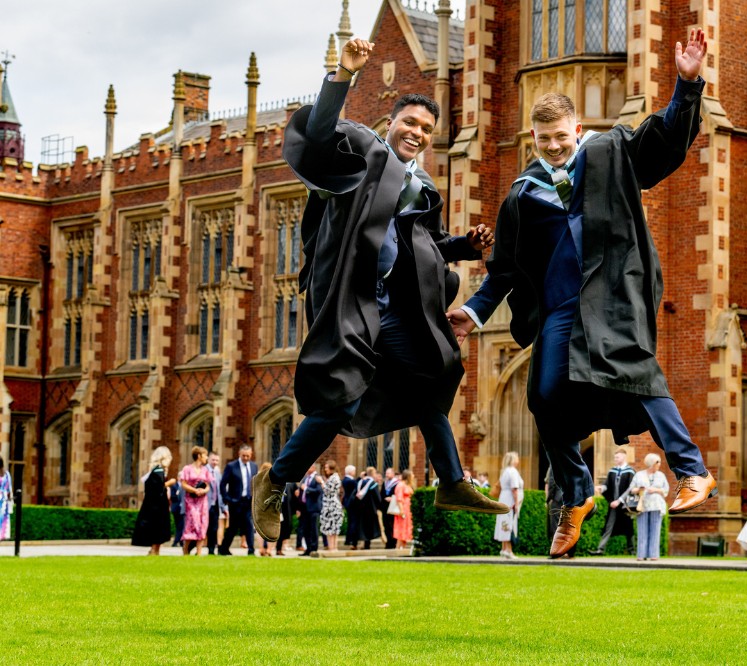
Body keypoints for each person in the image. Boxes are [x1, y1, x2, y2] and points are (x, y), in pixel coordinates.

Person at [447, 29, 717, 558]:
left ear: (577, 129)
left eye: (561, 138)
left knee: (635, 372)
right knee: (543, 397)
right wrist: (475, 315)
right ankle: (575, 495)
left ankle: (692, 471)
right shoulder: (523, 193)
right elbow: (503, 268)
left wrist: (687, 86)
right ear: (533, 135)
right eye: (543, 139)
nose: (553, 147)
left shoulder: (610, 151)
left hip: (612, 293)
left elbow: (663, 141)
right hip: (560, 309)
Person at [251, 37, 509, 541]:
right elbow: (319, 132)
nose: (417, 132)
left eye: (427, 129)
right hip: (351, 301)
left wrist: (465, 246)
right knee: (341, 402)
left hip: (393, 309)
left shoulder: (422, 189)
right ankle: (275, 480)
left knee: (433, 374)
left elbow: (425, 246)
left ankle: (452, 480)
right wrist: (344, 75)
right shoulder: (360, 154)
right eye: (410, 123)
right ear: (391, 123)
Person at [590, 448, 635, 556]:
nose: (615, 459)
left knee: (629, 528)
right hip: (613, 505)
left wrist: (619, 501)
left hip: (625, 505)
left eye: (617, 457)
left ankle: (632, 550)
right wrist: (602, 488)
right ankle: (600, 549)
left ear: (624, 457)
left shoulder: (630, 471)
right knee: (608, 526)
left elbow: (631, 489)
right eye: (615, 457)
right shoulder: (612, 471)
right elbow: (607, 484)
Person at [131, 447, 176, 555]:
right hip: (157, 507)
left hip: (153, 505)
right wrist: (169, 483)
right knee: (158, 528)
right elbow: (159, 488)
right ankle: (154, 550)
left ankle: (155, 550)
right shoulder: (159, 471)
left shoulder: (155, 471)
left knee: (157, 529)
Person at [219, 444, 258, 556]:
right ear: (239, 454)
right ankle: (223, 548)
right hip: (235, 502)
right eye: (243, 456)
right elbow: (223, 484)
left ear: (251, 455)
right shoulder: (231, 466)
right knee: (233, 527)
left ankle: (251, 550)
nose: (245, 458)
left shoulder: (254, 466)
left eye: (248, 456)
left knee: (249, 525)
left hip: (248, 501)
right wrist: (227, 498)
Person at [629, 453, 669, 561]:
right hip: (642, 505)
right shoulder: (639, 475)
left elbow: (666, 490)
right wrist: (638, 489)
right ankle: (641, 555)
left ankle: (653, 555)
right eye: (657, 462)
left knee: (655, 531)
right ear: (652, 463)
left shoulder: (661, 475)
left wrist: (656, 490)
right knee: (642, 530)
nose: (659, 465)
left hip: (657, 505)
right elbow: (631, 489)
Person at [179, 445, 212, 556]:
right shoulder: (187, 469)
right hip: (191, 501)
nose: (206, 458)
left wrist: (203, 491)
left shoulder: (205, 470)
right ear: (199, 456)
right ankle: (186, 549)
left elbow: (207, 486)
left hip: (202, 501)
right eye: (205, 455)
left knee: (202, 524)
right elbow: (183, 484)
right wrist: (194, 490)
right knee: (192, 523)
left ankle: (199, 552)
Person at [494, 452, 524, 560]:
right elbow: (514, 489)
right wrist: (516, 503)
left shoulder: (505, 471)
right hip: (510, 501)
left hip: (504, 498)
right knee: (509, 524)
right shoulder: (512, 472)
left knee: (504, 523)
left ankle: (504, 548)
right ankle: (508, 550)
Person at [355, 467, 382, 549]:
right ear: (373, 474)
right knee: (369, 526)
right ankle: (367, 544)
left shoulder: (360, 482)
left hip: (361, 508)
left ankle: (363, 542)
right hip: (371, 508)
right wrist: (380, 506)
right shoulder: (373, 483)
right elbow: (377, 497)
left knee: (363, 526)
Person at [320, 461, 344, 552]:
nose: (325, 469)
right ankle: (333, 547)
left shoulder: (334, 478)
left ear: (331, 468)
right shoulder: (334, 477)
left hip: (331, 506)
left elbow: (327, 491)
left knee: (331, 527)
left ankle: (332, 548)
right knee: (332, 528)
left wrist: (322, 482)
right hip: (331, 504)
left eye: (327, 467)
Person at [300, 465, 323, 557]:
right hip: (305, 507)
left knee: (313, 529)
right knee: (305, 529)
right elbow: (301, 489)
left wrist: (306, 489)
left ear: (313, 468)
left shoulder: (317, 478)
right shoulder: (305, 478)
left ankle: (314, 549)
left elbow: (318, 491)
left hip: (314, 508)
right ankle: (308, 548)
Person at [206, 452, 225, 555]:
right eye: (213, 460)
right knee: (204, 528)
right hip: (205, 504)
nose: (215, 462)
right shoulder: (204, 471)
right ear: (208, 459)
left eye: (217, 460)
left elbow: (220, 491)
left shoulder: (218, 473)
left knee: (213, 528)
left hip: (215, 505)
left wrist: (223, 507)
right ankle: (189, 547)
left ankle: (211, 549)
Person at [393, 469, 415, 550]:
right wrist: (401, 510)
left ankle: (403, 547)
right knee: (401, 528)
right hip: (403, 509)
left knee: (406, 528)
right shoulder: (400, 485)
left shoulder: (408, 485)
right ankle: (397, 548)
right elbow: (399, 498)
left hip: (408, 509)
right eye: (412, 475)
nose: (413, 476)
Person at [380, 468, 398, 550]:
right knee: (386, 526)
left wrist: (392, 498)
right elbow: (381, 494)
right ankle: (388, 543)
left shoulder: (397, 483)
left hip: (393, 507)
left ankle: (394, 543)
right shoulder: (385, 483)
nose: (386, 475)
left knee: (393, 526)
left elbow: (398, 495)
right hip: (385, 507)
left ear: (393, 474)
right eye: (386, 473)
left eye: (388, 473)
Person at [342, 465, 359, 549]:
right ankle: (352, 539)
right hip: (352, 503)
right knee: (353, 522)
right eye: (354, 471)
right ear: (351, 472)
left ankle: (348, 539)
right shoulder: (350, 481)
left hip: (348, 503)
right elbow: (356, 486)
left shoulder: (345, 480)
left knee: (350, 522)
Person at [169, 480, 184, 547]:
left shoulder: (184, 486)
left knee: (181, 525)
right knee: (178, 525)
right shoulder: (174, 486)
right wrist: (177, 494)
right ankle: (177, 541)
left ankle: (178, 541)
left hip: (183, 508)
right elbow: (172, 497)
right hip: (176, 508)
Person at [0, 458, 11, 542]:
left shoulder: (6, 474)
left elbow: (9, 490)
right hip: (4, 500)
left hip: (3, 502)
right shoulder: (7, 474)